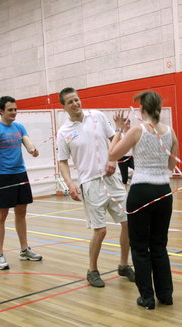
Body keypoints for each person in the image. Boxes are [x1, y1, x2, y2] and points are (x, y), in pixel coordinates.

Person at [56, 87, 135, 287]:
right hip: (90, 183)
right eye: (70, 102)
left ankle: (124, 265)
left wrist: (114, 160)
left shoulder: (97, 116)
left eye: (76, 99)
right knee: (100, 231)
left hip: (113, 179)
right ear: (64, 107)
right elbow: (63, 161)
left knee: (128, 224)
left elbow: (114, 142)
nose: (75, 104)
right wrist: (70, 183)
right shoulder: (64, 132)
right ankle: (92, 270)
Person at [109, 91, 178, 310]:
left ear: (142, 110)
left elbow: (113, 155)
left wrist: (119, 131)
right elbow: (171, 165)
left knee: (139, 247)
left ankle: (147, 298)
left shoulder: (137, 130)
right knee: (159, 245)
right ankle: (165, 295)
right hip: (164, 192)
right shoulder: (170, 132)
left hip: (141, 192)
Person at [0, 96, 43, 270]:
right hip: (3, 176)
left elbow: (26, 141)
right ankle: (0, 255)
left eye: (15, 109)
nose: (14, 113)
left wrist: (32, 150)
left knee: (21, 212)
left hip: (20, 174)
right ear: (1, 111)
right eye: (10, 110)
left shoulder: (19, 127)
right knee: (1, 215)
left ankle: (24, 250)